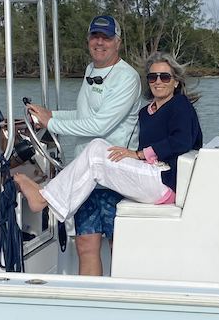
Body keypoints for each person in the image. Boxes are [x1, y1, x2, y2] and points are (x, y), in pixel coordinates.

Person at [15, 52, 202, 223]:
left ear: (176, 82)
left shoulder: (180, 105)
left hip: (166, 182)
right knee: (98, 145)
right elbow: (91, 118)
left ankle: (44, 198)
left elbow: (182, 141)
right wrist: (52, 116)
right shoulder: (146, 112)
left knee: (96, 154)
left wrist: (139, 154)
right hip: (151, 176)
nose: (158, 81)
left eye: (165, 77)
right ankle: (51, 197)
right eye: (153, 77)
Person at [27, 14, 142, 275]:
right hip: (85, 176)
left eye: (107, 37)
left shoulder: (127, 78)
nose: (100, 42)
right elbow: (84, 118)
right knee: (86, 245)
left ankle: (124, 306)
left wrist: (52, 124)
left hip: (114, 173)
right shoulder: (91, 70)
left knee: (119, 246)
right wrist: (51, 116)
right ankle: (92, 308)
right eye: (95, 36)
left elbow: (99, 126)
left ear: (118, 42)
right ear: (88, 39)